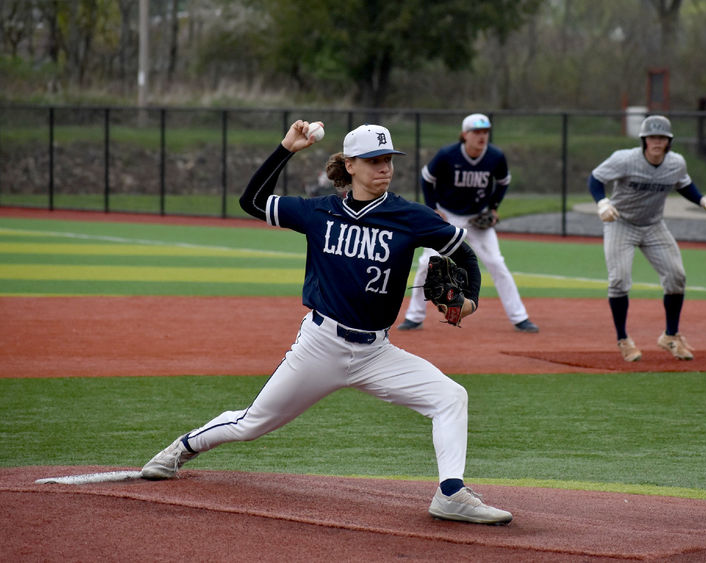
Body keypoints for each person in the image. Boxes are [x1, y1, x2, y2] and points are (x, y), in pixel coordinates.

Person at [141, 120, 513, 525]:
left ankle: (451, 494)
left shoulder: (410, 216)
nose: (384, 167)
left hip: (377, 353)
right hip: (320, 346)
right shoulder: (319, 212)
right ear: (350, 165)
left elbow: (466, 254)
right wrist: (286, 148)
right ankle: (181, 448)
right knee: (252, 424)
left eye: (388, 159)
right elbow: (251, 201)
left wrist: (469, 302)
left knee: (450, 397)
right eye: (373, 160)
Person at [587, 114, 706, 362]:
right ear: (644, 141)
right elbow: (595, 178)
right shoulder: (625, 159)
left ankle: (670, 335)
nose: (657, 142)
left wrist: (702, 200)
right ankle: (623, 339)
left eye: (662, 138)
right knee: (619, 280)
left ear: (669, 142)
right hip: (620, 223)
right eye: (652, 137)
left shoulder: (676, 163)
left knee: (677, 276)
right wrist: (602, 202)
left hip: (653, 225)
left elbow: (683, 184)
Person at [398, 113, 539, 333]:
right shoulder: (448, 155)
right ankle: (414, 316)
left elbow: (503, 182)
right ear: (465, 134)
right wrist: (433, 208)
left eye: (485, 132)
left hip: (477, 218)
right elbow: (426, 179)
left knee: (496, 263)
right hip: (447, 217)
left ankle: (520, 317)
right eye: (476, 132)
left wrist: (493, 207)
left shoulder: (495, 156)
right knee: (428, 264)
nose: (482, 136)